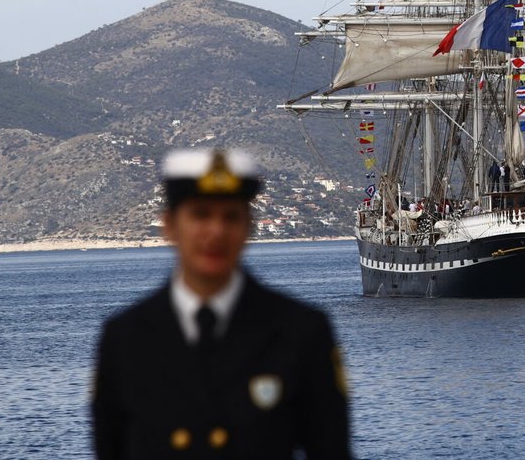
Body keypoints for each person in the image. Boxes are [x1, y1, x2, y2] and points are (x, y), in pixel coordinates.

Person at [91, 148, 351, 459]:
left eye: (231, 217)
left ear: (248, 228)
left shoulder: (301, 332)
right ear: (169, 226)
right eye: (200, 214)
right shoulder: (125, 339)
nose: (216, 231)